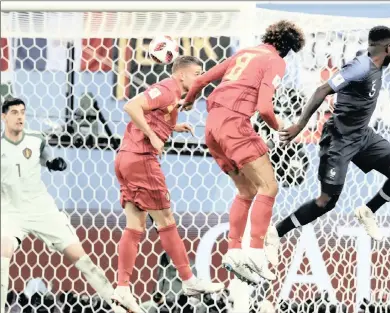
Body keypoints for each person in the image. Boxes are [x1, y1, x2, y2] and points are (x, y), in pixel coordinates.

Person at [267, 27, 390, 251]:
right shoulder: (359, 68)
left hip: (363, 136)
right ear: (386, 47)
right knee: (326, 201)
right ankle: (277, 233)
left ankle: (368, 211)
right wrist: (299, 126)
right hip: (339, 139)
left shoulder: (378, 57)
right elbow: (321, 90)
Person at [181, 20, 306, 284]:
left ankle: (234, 251)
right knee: (269, 188)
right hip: (235, 125)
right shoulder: (275, 61)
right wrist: (280, 128)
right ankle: (256, 253)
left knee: (247, 190)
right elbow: (264, 108)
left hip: (212, 127)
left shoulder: (245, 53)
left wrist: (189, 102)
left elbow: (201, 80)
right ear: (288, 49)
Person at [114, 56, 224, 305]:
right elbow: (131, 106)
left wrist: (174, 128)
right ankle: (188, 280)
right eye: (197, 72)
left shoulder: (173, 96)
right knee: (166, 221)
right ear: (182, 75)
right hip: (142, 159)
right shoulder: (166, 89)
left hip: (125, 159)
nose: (201, 77)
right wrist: (153, 136)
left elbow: (154, 114)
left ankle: (122, 287)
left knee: (135, 226)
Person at [0, 98, 129, 313]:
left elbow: (46, 157)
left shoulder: (36, 139)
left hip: (41, 209)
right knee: (3, 253)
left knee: (80, 257)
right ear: (4, 116)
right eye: (14, 112)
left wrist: (53, 163)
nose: (20, 116)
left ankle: (118, 305)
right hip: (11, 211)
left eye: (23, 112)